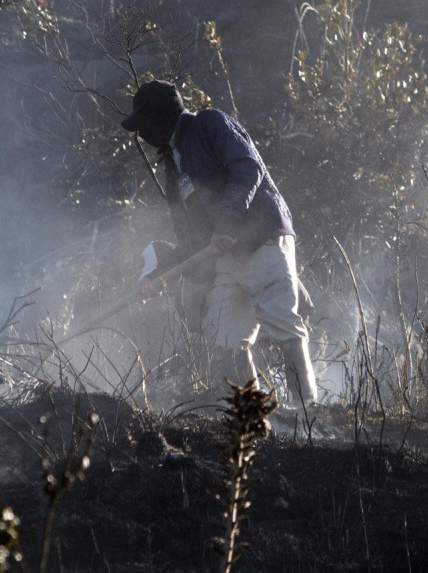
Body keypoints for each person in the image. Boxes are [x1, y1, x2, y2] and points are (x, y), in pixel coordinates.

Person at [120, 79, 320, 406]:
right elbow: (190, 241)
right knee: (224, 335)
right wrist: (158, 276)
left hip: (263, 239)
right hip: (227, 255)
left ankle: (308, 414)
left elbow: (247, 168)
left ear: (159, 116)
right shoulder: (172, 169)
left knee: (281, 319)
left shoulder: (209, 123)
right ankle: (252, 419)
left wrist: (227, 221)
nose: (141, 135)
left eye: (143, 125)